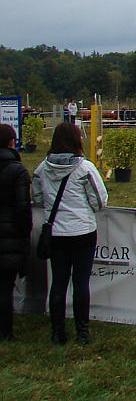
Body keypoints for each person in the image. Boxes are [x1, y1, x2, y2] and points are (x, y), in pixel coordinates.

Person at [31, 122, 108, 345]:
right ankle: (82, 332)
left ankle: (57, 333)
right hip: (82, 231)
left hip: (55, 232)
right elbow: (99, 201)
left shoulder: (41, 169)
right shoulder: (84, 168)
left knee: (58, 283)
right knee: (81, 283)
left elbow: (37, 198)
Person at [0, 124, 31, 341]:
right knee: (5, 288)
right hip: (10, 235)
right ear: (12, 142)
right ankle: (5, 331)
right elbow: (22, 207)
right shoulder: (17, 170)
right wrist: (25, 231)